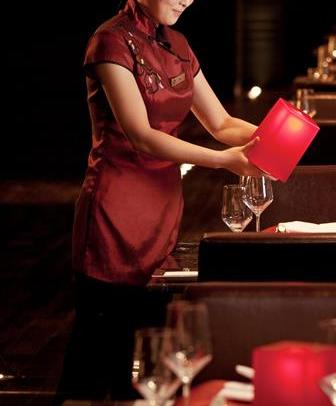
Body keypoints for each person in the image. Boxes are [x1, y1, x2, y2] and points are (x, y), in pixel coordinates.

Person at [55, 0, 262, 402]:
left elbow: (221, 123)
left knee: (148, 353)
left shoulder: (178, 44)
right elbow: (142, 136)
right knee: (96, 356)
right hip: (115, 211)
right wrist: (223, 161)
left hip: (163, 209)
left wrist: (280, 135)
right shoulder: (110, 41)